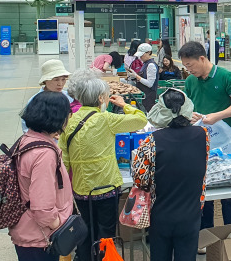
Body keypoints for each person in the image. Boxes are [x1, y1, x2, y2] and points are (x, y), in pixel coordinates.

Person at [60, 69, 147, 261]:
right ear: (101, 98)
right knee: (106, 232)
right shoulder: (107, 119)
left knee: (84, 230)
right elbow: (141, 119)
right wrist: (125, 105)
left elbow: (63, 159)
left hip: (81, 189)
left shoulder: (69, 122)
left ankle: (84, 257)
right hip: (107, 186)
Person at [178, 42, 231, 252]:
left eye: (190, 65)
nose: (188, 70)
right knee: (204, 192)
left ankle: (229, 237)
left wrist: (217, 116)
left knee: (229, 193)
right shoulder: (190, 81)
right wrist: (192, 116)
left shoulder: (226, 77)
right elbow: (187, 106)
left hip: (228, 145)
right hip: (202, 142)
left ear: (202, 58)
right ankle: (206, 239)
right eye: (185, 66)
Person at [132, 89, 209, 261]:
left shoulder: (152, 140)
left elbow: (140, 178)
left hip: (162, 214)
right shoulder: (203, 135)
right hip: (191, 214)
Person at [10, 92, 74, 261]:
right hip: (40, 237)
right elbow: (42, 207)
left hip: (27, 230)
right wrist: (58, 223)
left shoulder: (26, 140)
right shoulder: (44, 154)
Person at [22, 60, 80, 132]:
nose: (60, 83)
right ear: (45, 80)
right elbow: (27, 128)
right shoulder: (35, 101)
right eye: (56, 80)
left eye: (63, 79)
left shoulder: (69, 97)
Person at [127, 43, 159, 112]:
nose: (140, 57)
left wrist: (136, 76)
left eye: (142, 55)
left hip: (149, 97)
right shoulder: (145, 64)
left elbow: (150, 84)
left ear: (149, 53)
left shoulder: (151, 65)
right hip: (143, 96)